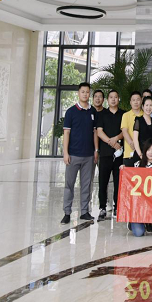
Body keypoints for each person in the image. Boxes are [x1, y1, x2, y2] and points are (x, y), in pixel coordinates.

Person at [61, 83, 97, 224]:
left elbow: (95, 133)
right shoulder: (71, 112)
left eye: (87, 92)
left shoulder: (93, 111)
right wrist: (65, 153)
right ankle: (67, 212)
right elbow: (66, 133)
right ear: (78, 93)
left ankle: (84, 211)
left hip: (89, 155)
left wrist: (96, 150)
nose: (85, 94)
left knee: (86, 185)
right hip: (73, 155)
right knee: (69, 184)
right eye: (83, 92)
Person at [95, 89, 124, 221]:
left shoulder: (123, 114)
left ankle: (117, 206)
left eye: (115, 97)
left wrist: (116, 139)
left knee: (118, 182)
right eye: (111, 97)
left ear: (119, 99)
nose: (113, 99)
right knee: (103, 182)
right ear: (108, 100)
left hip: (119, 154)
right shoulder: (102, 114)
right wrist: (111, 142)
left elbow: (125, 131)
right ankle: (102, 208)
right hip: (105, 153)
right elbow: (99, 132)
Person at [130, 139, 152, 237]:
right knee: (139, 233)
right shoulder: (137, 165)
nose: (151, 152)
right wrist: (123, 169)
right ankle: (133, 221)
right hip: (139, 204)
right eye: (148, 150)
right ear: (144, 151)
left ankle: (149, 222)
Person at [132, 96, 152, 163]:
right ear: (142, 106)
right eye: (146, 105)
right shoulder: (138, 120)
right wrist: (140, 155)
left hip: (151, 155)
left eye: (150, 105)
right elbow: (135, 139)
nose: (148, 108)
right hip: (139, 155)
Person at [120, 91, 143, 167]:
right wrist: (131, 143)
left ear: (141, 101)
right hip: (129, 153)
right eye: (133, 100)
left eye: (138, 99)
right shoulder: (126, 115)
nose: (136, 102)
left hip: (142, 153)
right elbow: (124, 131)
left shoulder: (145, 115)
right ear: (130, 102)